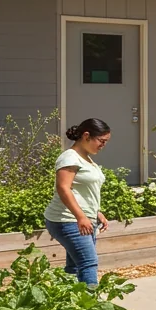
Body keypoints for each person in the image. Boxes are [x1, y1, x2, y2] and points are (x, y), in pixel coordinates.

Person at [44, 119, 111, 287]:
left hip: (82, 219)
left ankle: (69, 304)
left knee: (75, 267)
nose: (103, 145)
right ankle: (91, 308)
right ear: (86, 136)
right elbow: (63, 188)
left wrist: (95, 212)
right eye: (101, 141)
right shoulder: (70, 157)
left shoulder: (86, 159)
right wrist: (81, 217)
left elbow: (83, 191)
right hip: (67, 220)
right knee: (88, 263)